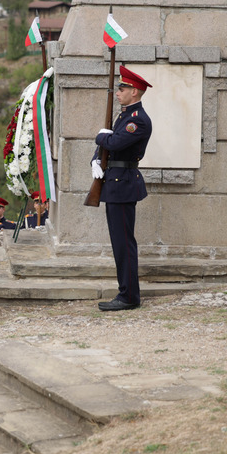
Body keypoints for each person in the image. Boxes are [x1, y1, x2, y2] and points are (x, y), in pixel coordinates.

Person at [91, 65, 153, 312]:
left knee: (124, 243)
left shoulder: (137, 121)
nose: (118, 92)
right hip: (115, 182)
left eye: (123, 88)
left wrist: (99, 137)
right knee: (119, 242)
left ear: (135, 92)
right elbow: (110, 144)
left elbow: (114, 140)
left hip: (123, 184)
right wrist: (97, 158)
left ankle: (128, 296)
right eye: (119, 87)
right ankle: (126, 292)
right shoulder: (124, 116)